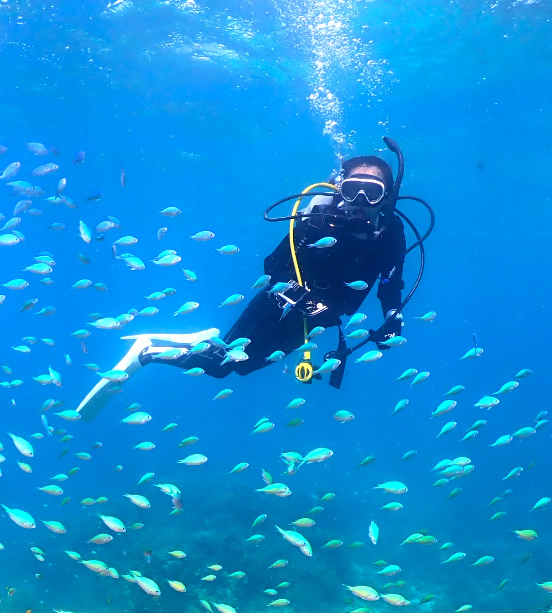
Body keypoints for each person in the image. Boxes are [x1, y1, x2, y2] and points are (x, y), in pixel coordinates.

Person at [77, 143, 417, 419]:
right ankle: (149, 352)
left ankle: (186, 345)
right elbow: (274, 264)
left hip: (320, 323)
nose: (359, 202)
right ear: (339, 189)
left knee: (240, 369)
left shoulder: (390, 234)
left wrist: (392, 318)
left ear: (386, 197)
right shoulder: (319, 221)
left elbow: (391, 283)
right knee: (222, 366)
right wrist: (297, 293)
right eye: (352, 190)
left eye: (371, 193)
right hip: (277, 305)